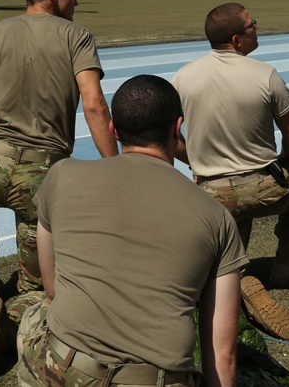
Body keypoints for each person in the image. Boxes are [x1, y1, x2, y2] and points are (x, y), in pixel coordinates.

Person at [0, 0, 118, 385]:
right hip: (39, 178)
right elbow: (95, 105)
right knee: (37, 281)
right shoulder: (76, 36)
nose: (76, 0)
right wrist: (117, 167)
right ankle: (12, 318)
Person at [17, 75, 247, 387]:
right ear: (177, 127)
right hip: (154, 380)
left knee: (35, 314)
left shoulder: (62, 175)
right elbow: (222, 357)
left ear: (114, 130)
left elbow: (53, 289)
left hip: (65, 368)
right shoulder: (217, 217)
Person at [172, 2, 289, 339]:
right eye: (252, 25)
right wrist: (285, 161)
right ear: (237, 40)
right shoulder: (264, 73)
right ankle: (283, 263)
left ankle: (232, 277)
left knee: (230, 213)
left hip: (211, 194)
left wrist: (196, 163)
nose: (258, 28)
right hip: (266, 191)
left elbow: (170, 137)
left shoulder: (183, 77)